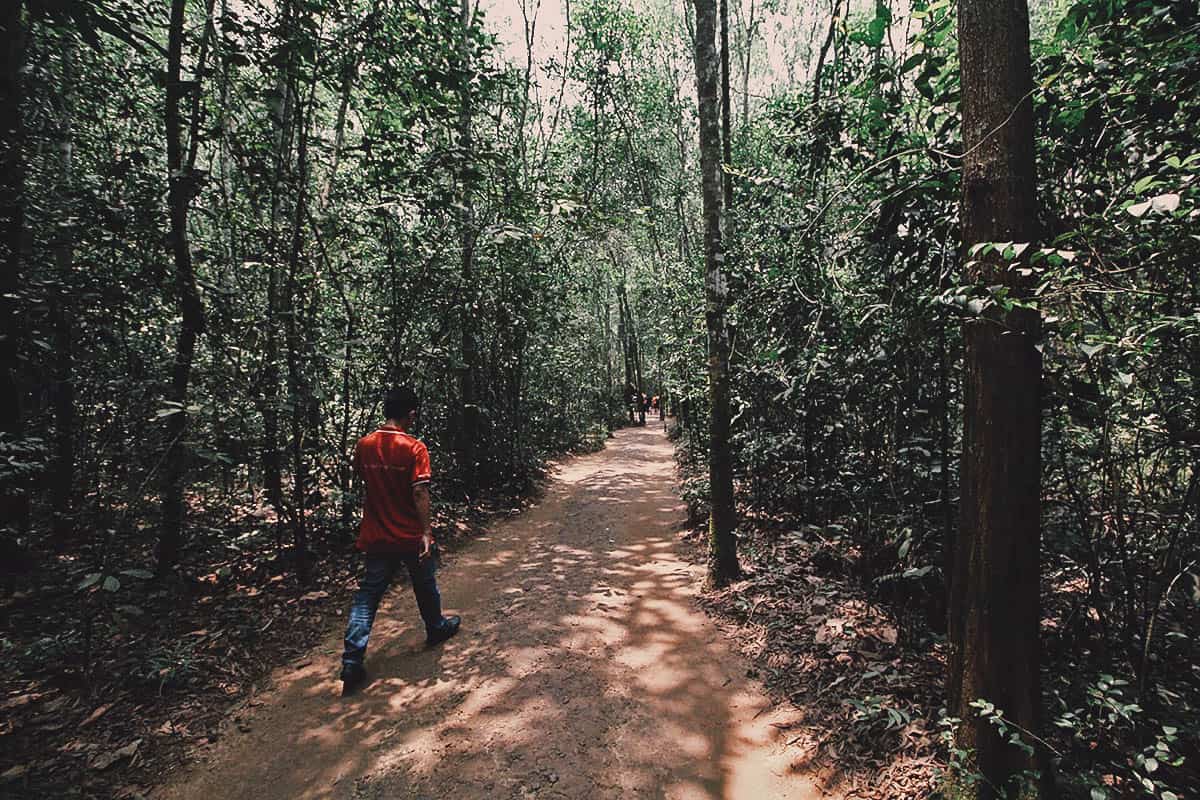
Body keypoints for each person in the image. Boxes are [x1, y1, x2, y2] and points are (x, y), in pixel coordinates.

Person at [339, 385, 460, 696]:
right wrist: (426, 532)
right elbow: (419, 491)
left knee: (368, 595)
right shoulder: (414, 448)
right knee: (424, 582)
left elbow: (361, 478)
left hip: (377, 535)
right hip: (407, 535)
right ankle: (435, 628)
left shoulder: (364, 444)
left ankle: (352, 659)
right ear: (411, 413)